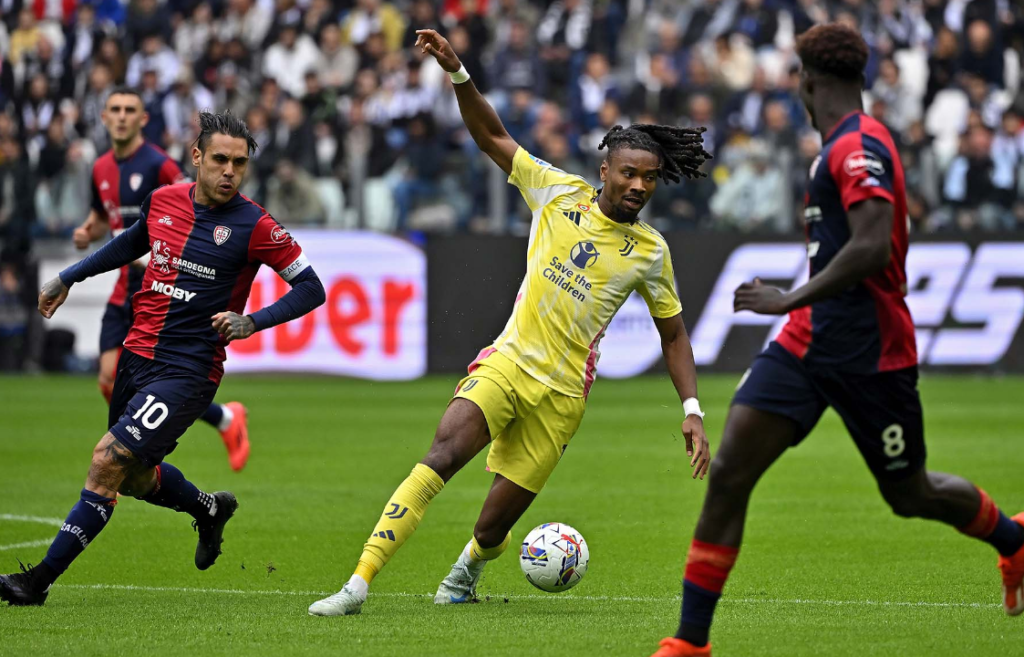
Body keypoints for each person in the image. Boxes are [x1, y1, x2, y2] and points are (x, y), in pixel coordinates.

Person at [308, 28, 713, 617]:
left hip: (562, 396)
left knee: (495, 527)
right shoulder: (556, 193)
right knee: (443, 452)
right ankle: (357, 584)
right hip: (508, 362)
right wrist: (457, 73)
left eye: (649, 178)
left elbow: (673, 336)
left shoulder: (650, 252)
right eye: (628, 172)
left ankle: (468, 567)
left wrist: (692, 412)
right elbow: (492, 136)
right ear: (605, 169)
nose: (638, 186)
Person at [651, 24, 1024, 657]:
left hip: (870, 350)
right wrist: (797, 310)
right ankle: (689, 644)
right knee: (733, 468)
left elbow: (873, 245)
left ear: (809, 81)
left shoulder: (858, 146)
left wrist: (787, 297)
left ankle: (1014, 544)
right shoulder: (837, 147)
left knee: (911, 494)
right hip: (806, 343)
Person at [0, 111, 327, 607]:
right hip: (137, 355)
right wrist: (68, 277)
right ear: (196, 157)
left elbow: (312, 287)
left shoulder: (256, 224)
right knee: (132, 478)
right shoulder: (163, 202)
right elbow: (128, 244)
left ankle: (36, 581)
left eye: (239, 163)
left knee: (106, 460)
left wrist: (252, 321)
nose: (229, 172)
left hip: (188, 370)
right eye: (219, 159)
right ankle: (209, 509)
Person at [72, 87, 252, 472]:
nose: (121, 116)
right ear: (103, 117)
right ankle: (130, 452)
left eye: (129, 110)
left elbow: (190, 214)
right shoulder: (101, 167)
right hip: (124, 287)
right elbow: (108, 217)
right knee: (108, 375)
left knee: (167, 375)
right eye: (114, 110)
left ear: (143, 119)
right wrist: (90, 229)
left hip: (165, 289)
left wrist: (163, 257)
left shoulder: (160, 166)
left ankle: (123, 459)